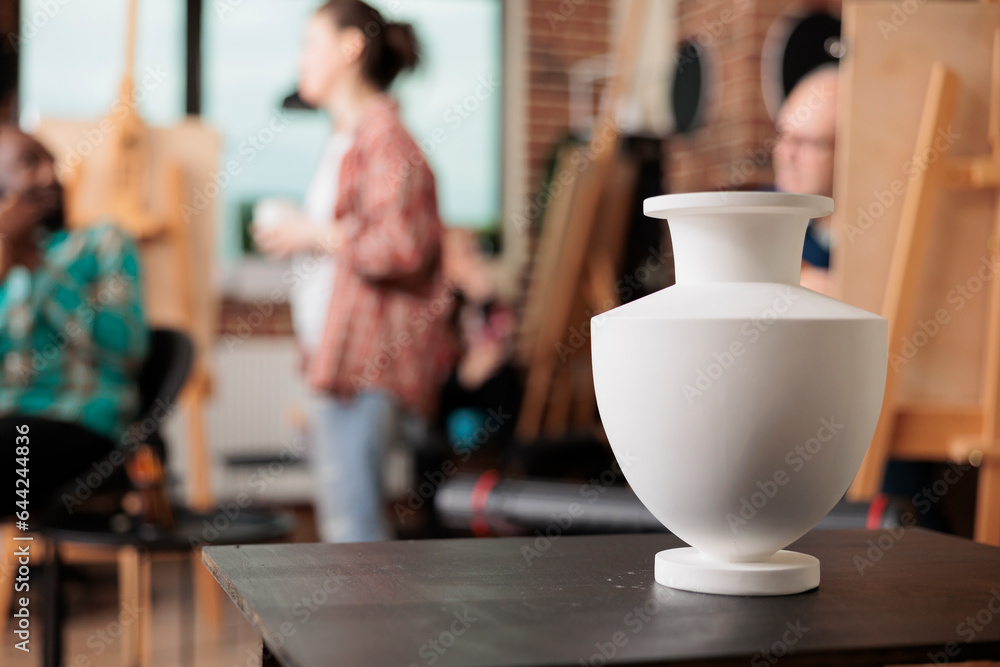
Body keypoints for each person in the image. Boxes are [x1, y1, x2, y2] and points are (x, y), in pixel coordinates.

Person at [254, 0, 452, 542]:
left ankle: (373, 631)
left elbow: (403, 246)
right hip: (341, 363)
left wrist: (309, 231)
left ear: (350, 47)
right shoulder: (346, 141)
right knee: (347, 523)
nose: (301, 59)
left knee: (354, 532)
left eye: (310, 43)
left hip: (367, 366)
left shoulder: (384, 140)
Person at [0, 127, 148, 512]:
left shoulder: (102, 242)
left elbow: (126, 351)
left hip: (80, 423)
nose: (51, 175)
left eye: (52, 162)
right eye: (29, 163)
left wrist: (37, 265)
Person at [772, 65, 838, 295]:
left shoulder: (884, 234)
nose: (786, 154)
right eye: (783, 136)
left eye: (807, 143)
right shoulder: (757, 217)